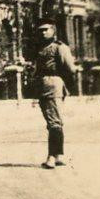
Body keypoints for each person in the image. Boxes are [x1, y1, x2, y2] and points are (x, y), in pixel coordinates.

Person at [33, 20, 76, 169]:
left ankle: (51, 157)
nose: (43, 32)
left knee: (54, 123)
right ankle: (59, 155)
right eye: (41, 30)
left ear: (53, 30)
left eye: (46, 30)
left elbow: (70, 68)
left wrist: (62, 82)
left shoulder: (59, 47)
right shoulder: (42, 48)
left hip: (53, 85)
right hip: (43, 87)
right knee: (54, 122)